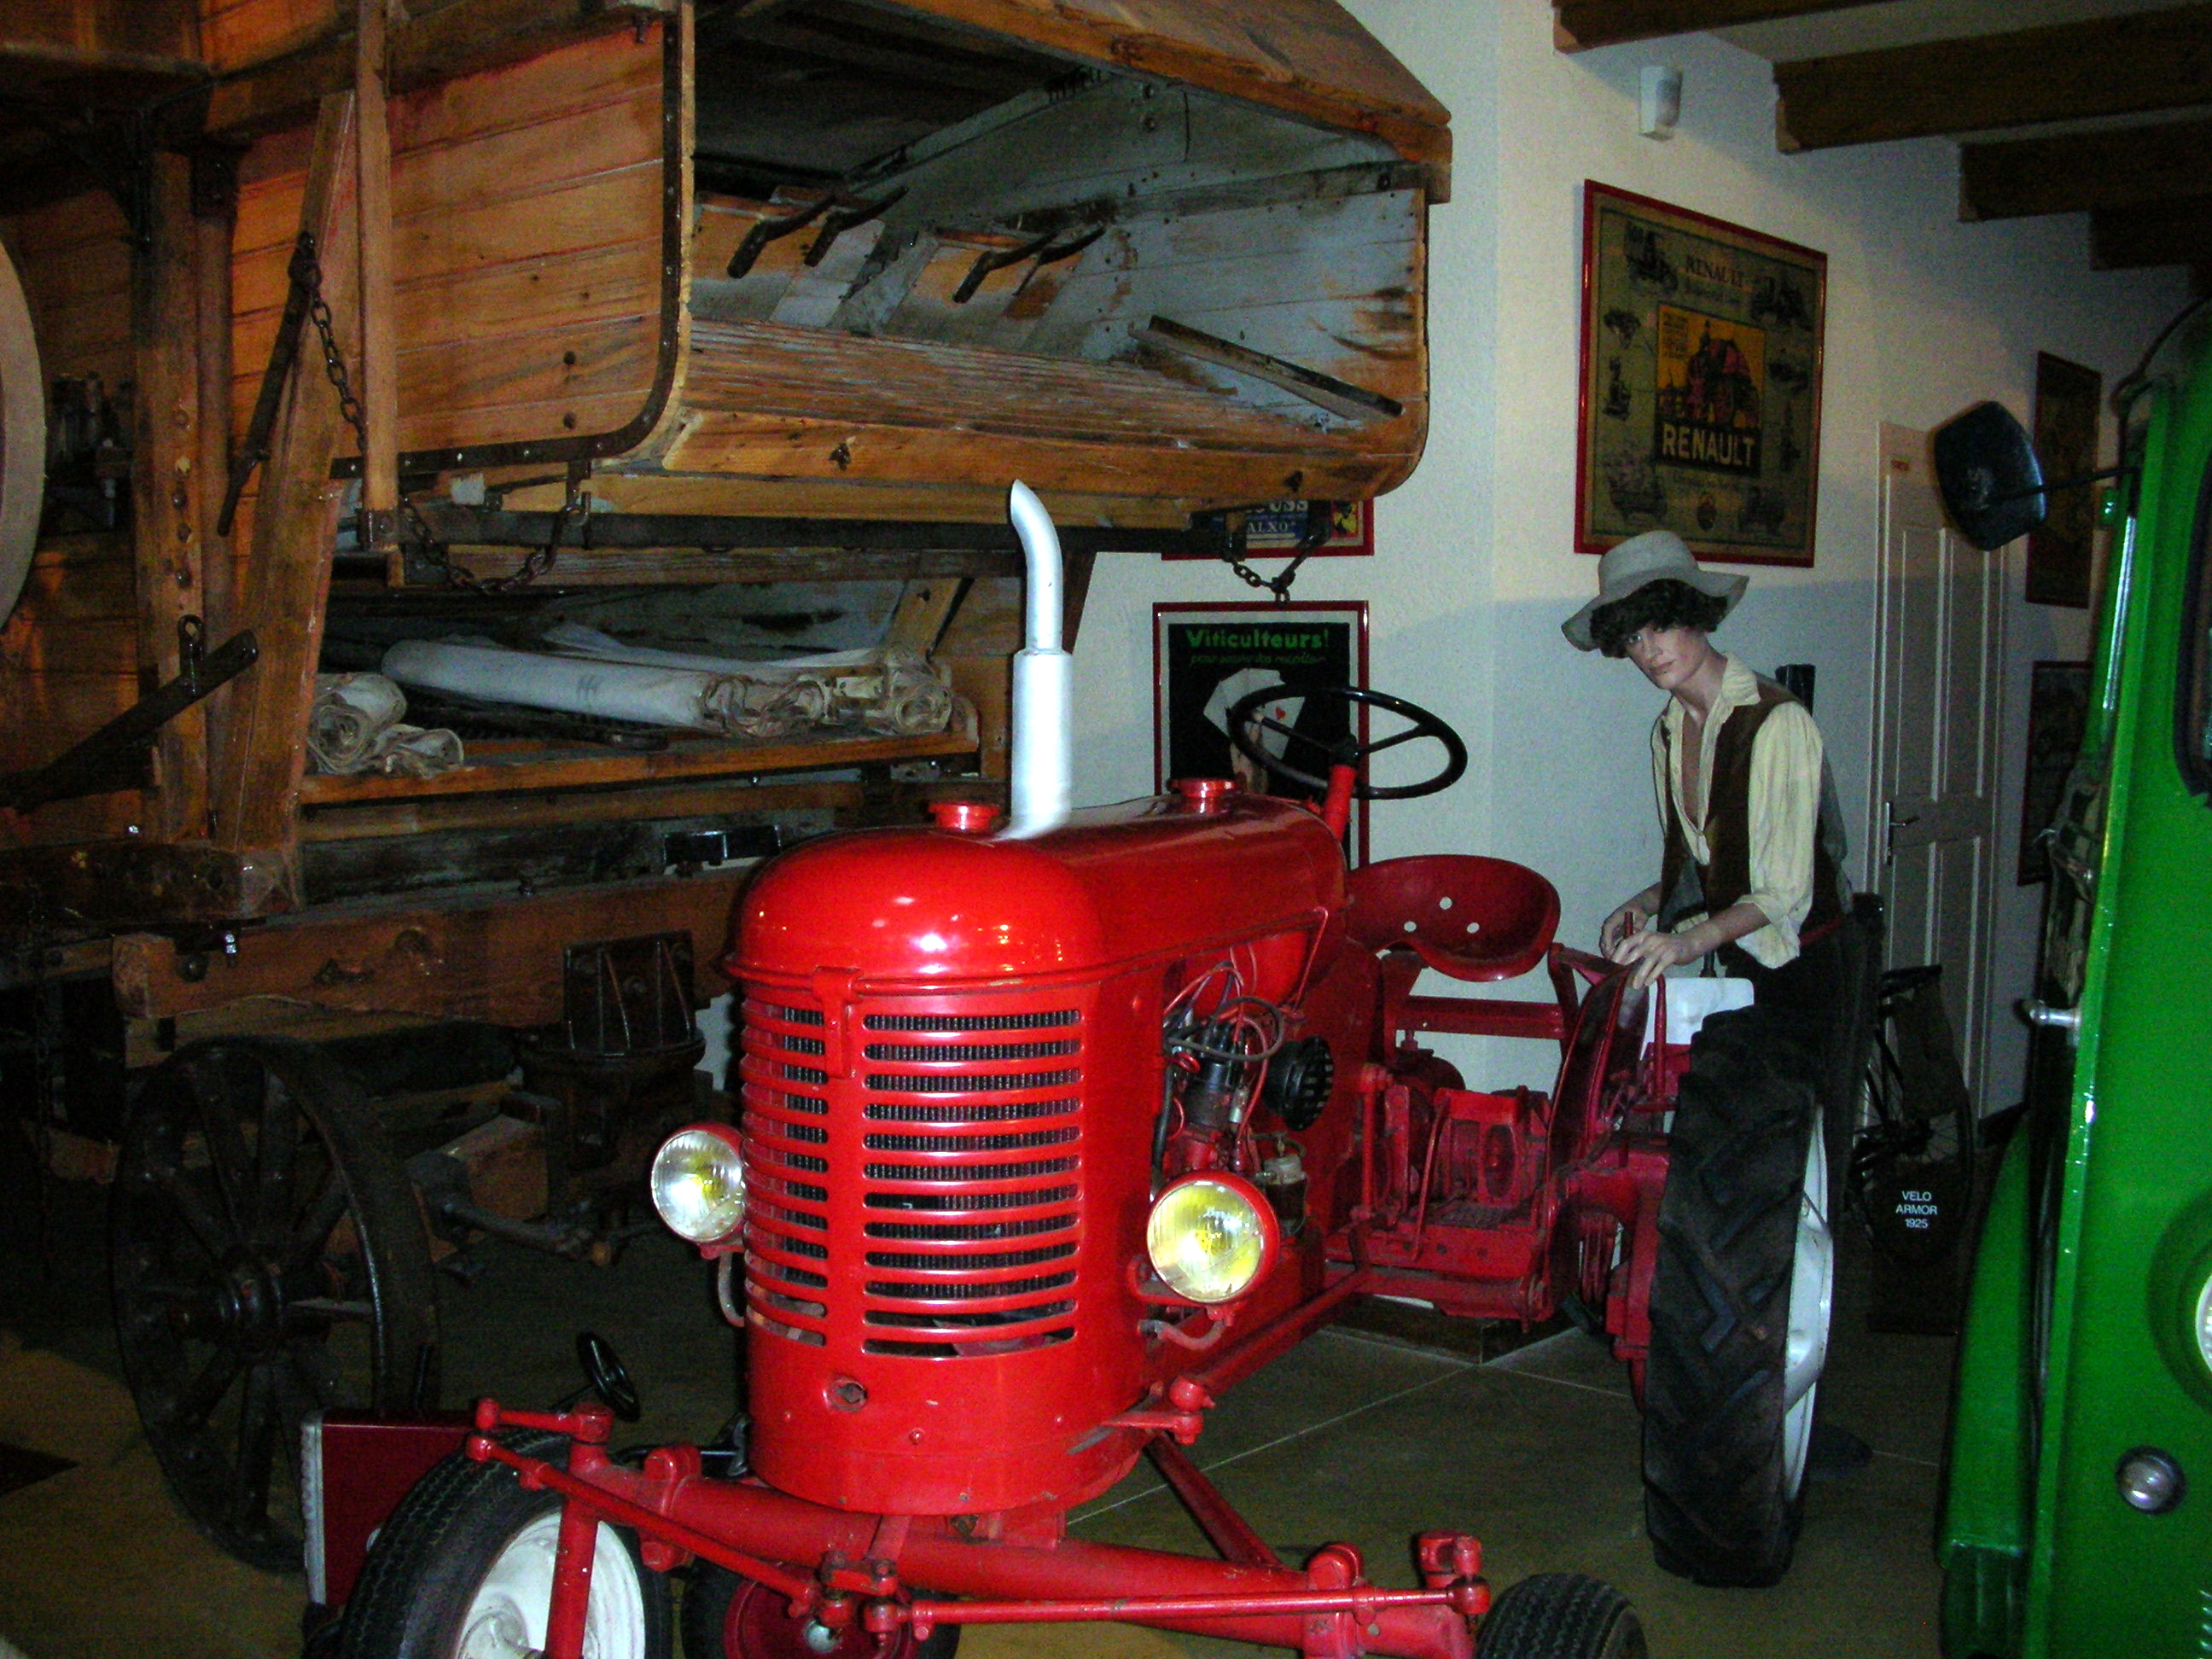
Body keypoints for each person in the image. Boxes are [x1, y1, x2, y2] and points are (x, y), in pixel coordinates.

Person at [1561, 529, 1852, 1030]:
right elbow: (1709, 860)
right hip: (1741, 961)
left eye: (1662, 626)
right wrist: (1645, 904)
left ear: (1695, 615)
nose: (1649, 650)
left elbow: (1782, 891)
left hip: (1807, 963)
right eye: (1633, 637)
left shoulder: (1777, 720)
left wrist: (1686, 943)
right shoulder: (1669, 732)